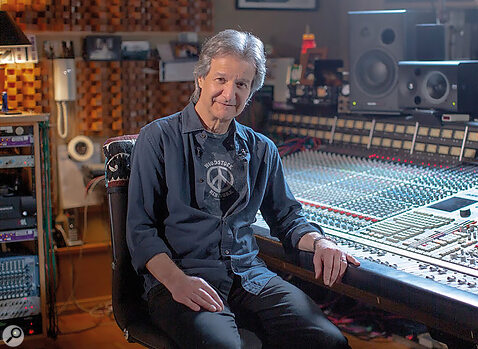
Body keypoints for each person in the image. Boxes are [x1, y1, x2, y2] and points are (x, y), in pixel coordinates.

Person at [126, 29, 360, 349]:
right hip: (181, 278)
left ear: (251, 92)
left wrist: (320, 243)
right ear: (201, 79)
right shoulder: (157, 138)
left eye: (241, 84)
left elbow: (288, 218)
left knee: (329, 341)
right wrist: (175, 282)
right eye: (220, 80)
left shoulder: (262, 149)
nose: (228, 93)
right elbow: (141, 231)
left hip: (249, 277)